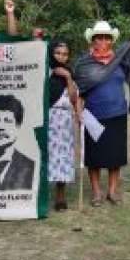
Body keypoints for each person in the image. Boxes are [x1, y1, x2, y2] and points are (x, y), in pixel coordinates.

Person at [74, 7, 130, 206]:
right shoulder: (83, 63)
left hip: (116, 114)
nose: (102, 41)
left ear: (112, 40)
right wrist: (78, 113)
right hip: (93, 116)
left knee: (115, 157)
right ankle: (96, 193)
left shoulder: (120, 58)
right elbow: (78, 91)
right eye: (98, 38)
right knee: (93, 158)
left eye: (106, 38)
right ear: (92, 40)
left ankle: (111, 192)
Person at [47, 40, 78, 211]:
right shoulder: (45, 70)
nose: (61, 56)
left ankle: (60, 196)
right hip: (48, 117)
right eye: (58, 53)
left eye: (65, 54)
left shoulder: (70, 72)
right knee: (47, 154)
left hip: (64, 119)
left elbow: (74, 98)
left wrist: (67, 77)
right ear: (52, 53)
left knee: (63, 156)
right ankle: (41, 194)